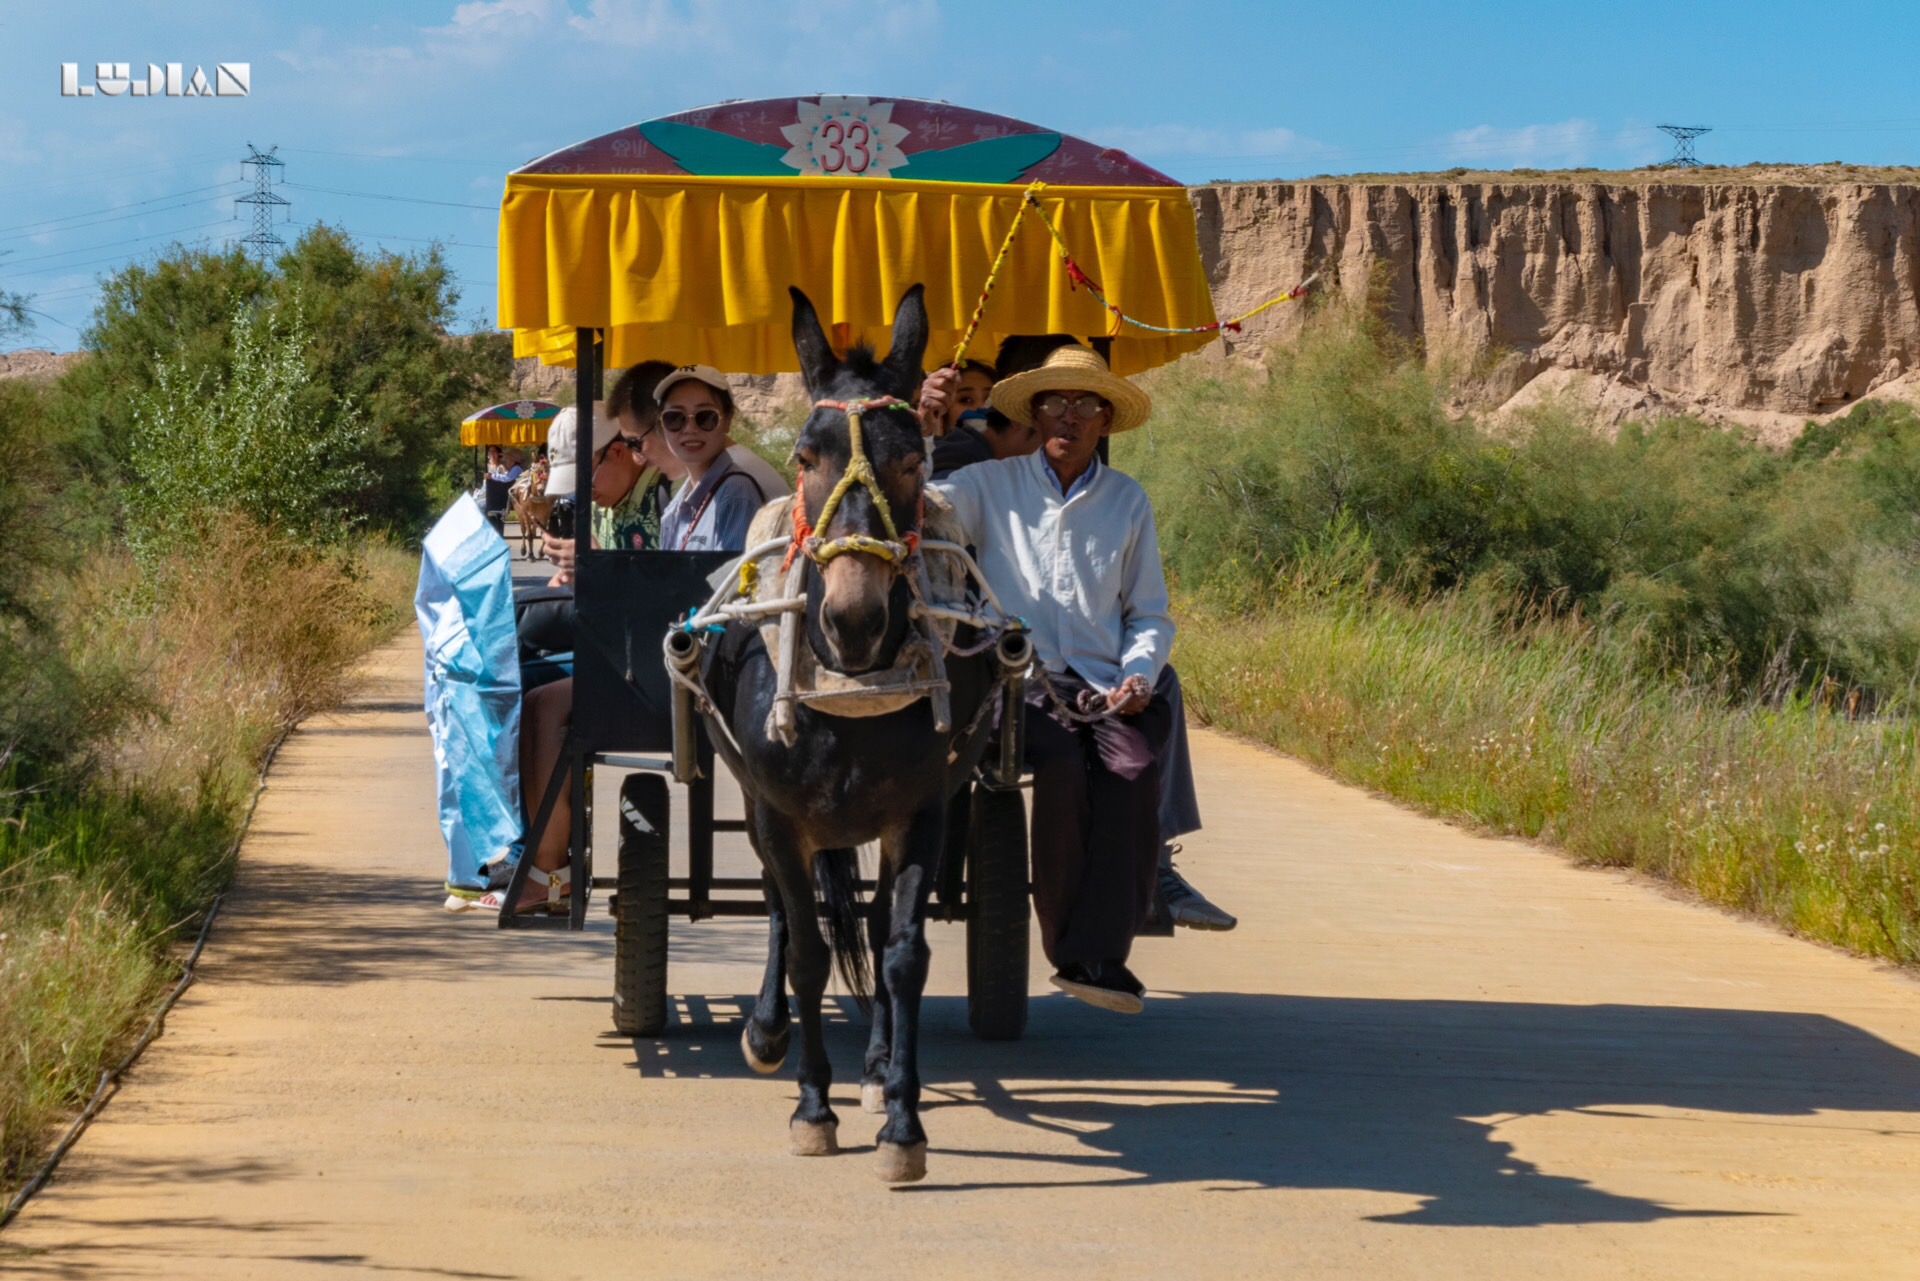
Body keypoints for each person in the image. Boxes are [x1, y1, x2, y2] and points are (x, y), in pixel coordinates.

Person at [923, 346, 1237, 932]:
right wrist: (923, 433)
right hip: (1010, 680)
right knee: (1065, 769)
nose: (1070, 415)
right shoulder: (987, 484)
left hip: (1097, 685)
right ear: (1035, 416)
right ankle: (1072, 939)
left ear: (1106, 419)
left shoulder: (1126, 500)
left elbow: (1149, 614)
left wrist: (1138, 671)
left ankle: (1116, 932)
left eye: (1086, 402)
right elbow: (918, 512)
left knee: (1136, 769)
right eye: (1055, 402)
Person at [654, 364, 775, 552]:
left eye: (706, 417)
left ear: (727, 420)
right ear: (662, 424)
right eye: (675, 418)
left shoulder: (736, 494)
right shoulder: (677, 504)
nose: (690, 428)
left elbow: (734, 580)